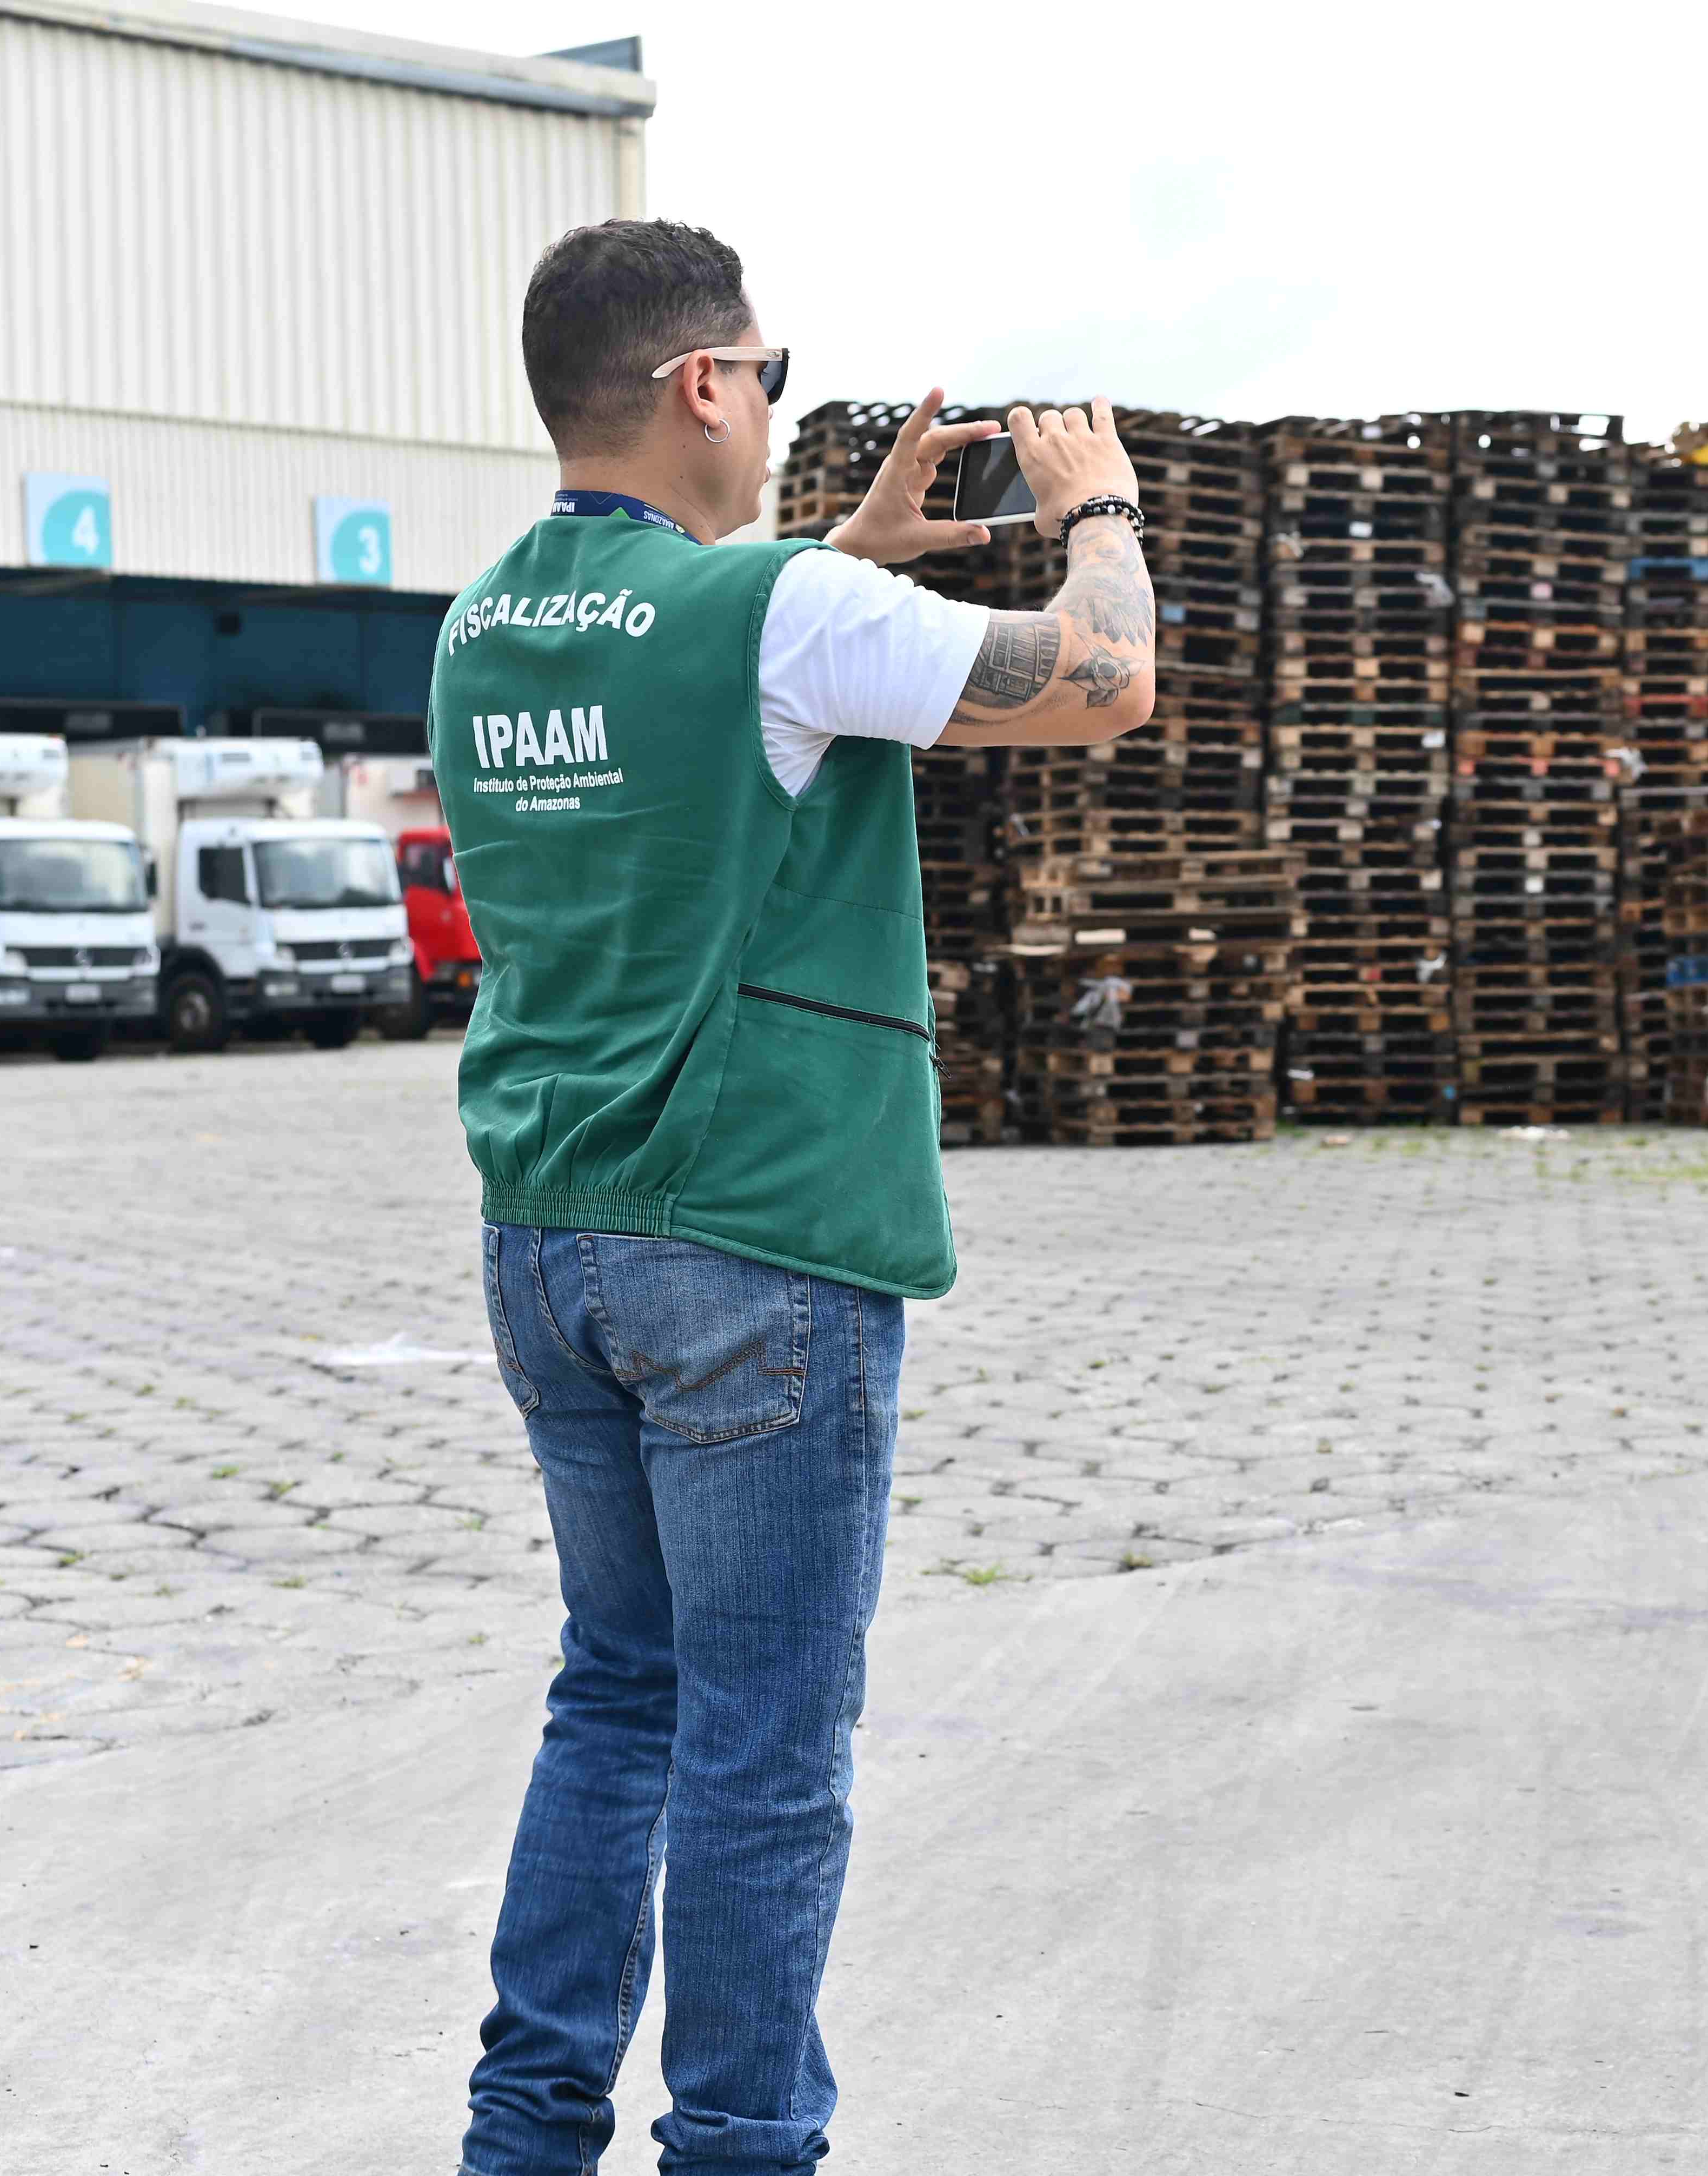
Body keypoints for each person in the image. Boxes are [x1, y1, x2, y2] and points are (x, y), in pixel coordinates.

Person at [428, 218, 1155, 2174]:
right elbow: (1101, 682)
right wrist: (1099, 509)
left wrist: (842, 557)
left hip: (551, 1241)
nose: (764, 400)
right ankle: (743, 2147)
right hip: (752, 1247)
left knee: (619, 1699)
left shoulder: (486, 624)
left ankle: (526, 2134)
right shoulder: (770, 615)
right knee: (763, 1746)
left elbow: (705, 696)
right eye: (758, 369)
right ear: (701, 387)